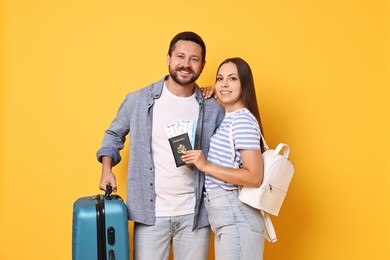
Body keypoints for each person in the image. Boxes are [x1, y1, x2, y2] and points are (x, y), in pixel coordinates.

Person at [96, 31, 225, 260]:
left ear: (202, 65)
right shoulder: (138, 100)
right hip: (150, 215)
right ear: (168, 59)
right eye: (180, 56)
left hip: (195, 216)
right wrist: (107, 170)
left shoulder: (212, 107)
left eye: (194, 59)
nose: (185, 64)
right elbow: (113, 135)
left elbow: (227, 153)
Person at [182, 57, 266, 260]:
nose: (224, 84)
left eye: (233, 79)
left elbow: (254, 177)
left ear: (244, 84)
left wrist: (206, 166)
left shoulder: (243, 121)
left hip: (238, 216)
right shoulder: (227, 118)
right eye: (220, 79)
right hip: (226, 217)